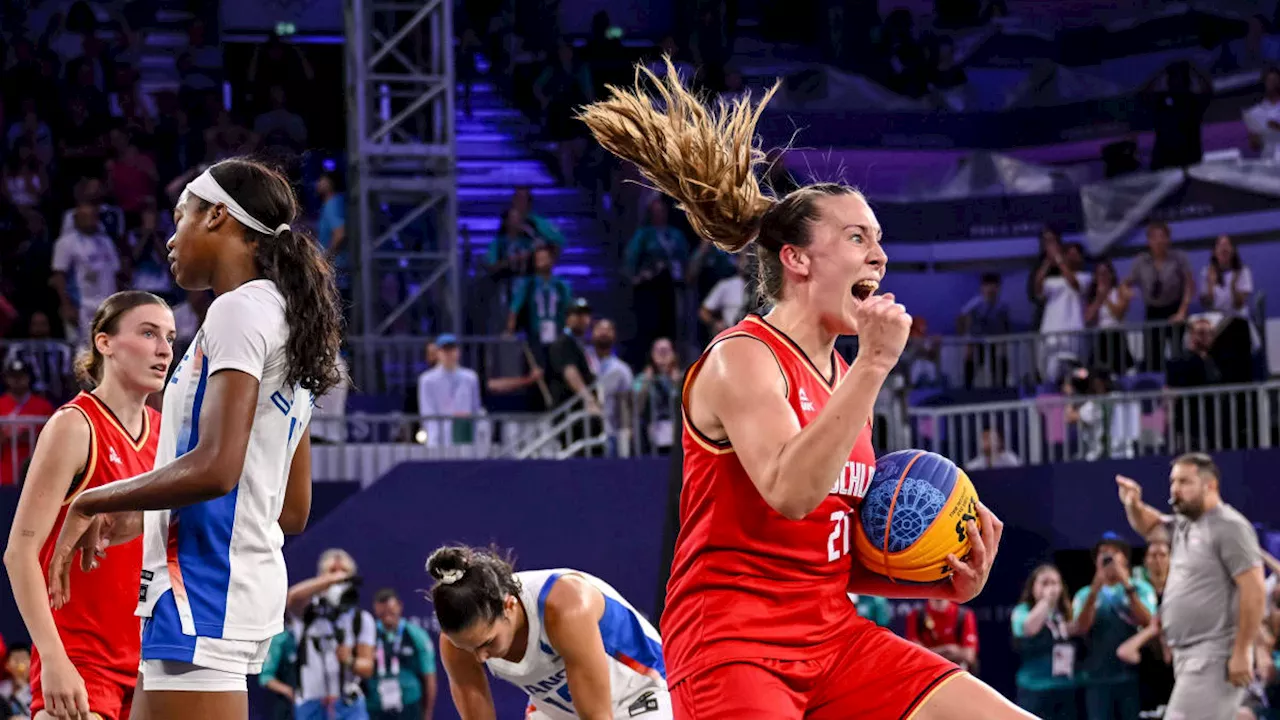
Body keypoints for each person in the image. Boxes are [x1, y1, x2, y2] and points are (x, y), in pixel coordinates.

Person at [578, 58, 1016, 719]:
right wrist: (873, 367)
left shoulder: (843, 376)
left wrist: (936, 576)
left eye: (880, 242)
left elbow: (823, 549)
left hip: (832, 636)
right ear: (798, 259)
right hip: (733, 645)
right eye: (857, 237)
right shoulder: (742, 359)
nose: (880, 256)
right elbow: (789, 491)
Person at [44, 157, 345, 720]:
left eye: (181, 216)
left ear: (218, 217)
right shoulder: (289, 319)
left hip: (201, 590)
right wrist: (144, 518)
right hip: (217, 588)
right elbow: (291, 508)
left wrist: (92, 498)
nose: (170, 236)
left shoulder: (237, 311)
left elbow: (216, 468)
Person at [3, 291, 174, 720]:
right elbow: (20, 552)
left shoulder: (165, 434)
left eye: (170, 336)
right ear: (105, 342)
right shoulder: (74, 426)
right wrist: (54, 660)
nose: (164, 349)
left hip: (149, 664)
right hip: (81, 663)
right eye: (148, 333)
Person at [426, 545, 670, 719]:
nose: (480, 656)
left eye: (486, 643)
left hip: (640, 694)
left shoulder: (565, 609)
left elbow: (597, 715)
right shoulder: (457, 643)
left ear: (509, 606)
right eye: (470, 648)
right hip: (558, 711)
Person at [1117, 454, 1266, 720]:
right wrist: (1132, 504)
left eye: (1184, 481)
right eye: (1173, 481)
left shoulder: (1230, 527)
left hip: (1216, 653)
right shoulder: (1186, 524)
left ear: (1210, 485)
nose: (1175, 489)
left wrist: (1243, 651)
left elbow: (1254, 590)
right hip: (1188, 656)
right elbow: (1149, 525)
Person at [1071, 533, 1157, 720]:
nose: (1108, 556)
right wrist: (1095, 589)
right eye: (1103, 553)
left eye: (1114, 552)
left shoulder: (1141, 588)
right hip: (1097, 680)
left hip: (1132, 679)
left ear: (1125, 557)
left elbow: (1148, 622)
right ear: (1096, 561)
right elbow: (1081, 628)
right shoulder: (1084, 594)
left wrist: (1126, 583)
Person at [1010, 564, 1078, 720]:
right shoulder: (1022, 611)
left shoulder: (1066, 612)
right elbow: (1030, 628)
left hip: (1064, 688)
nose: (1050, 588)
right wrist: (1046, 600)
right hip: (1033, 688)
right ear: (1033, 587)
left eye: (1054, 583)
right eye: (1045, 583)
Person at [367, 588, 437, 720]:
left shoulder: (416, 635)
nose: (387, 615)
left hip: (409, 704)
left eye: (391, 610)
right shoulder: (368, 635)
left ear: (399, 606)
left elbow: (429, 676)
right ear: (375, 609)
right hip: (375, 705)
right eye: (382, 612)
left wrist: (427, 714)